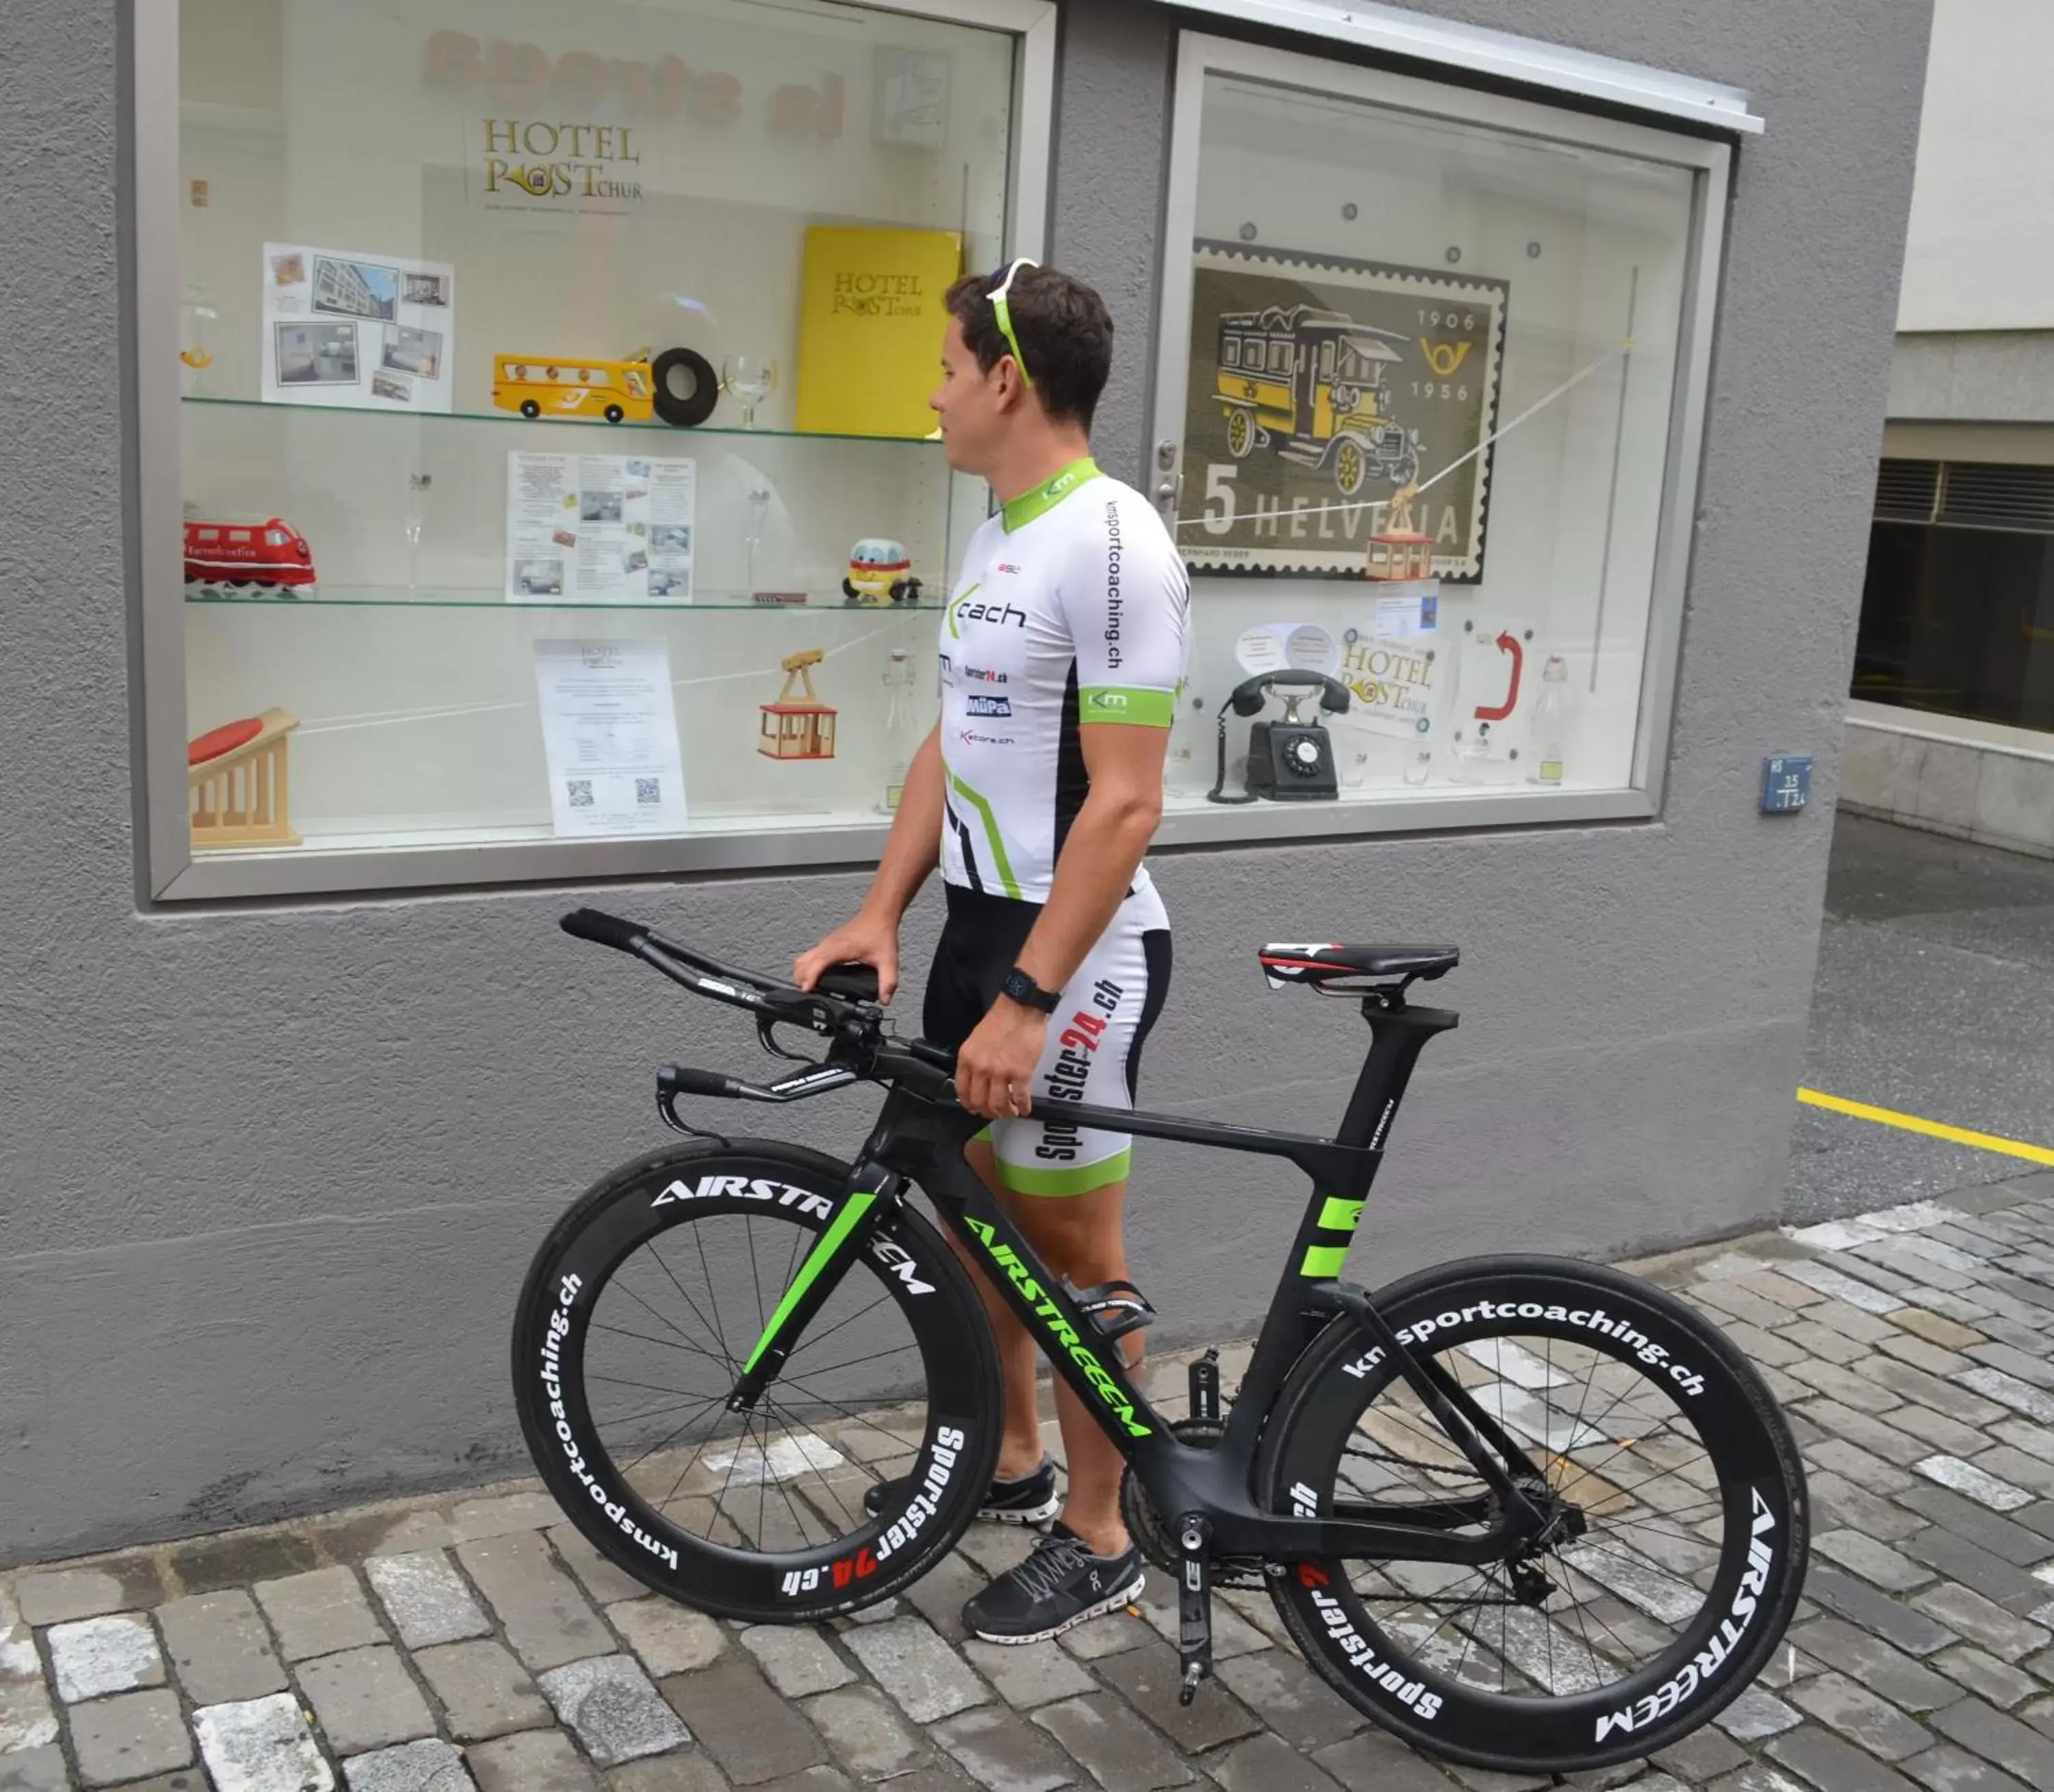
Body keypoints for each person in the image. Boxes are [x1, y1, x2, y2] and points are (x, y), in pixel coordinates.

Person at [794, 259, 1189, 1644]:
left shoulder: (1114, 538)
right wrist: (880, 910)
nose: (933, 392)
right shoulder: (998, 532)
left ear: (1007, 378)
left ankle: (1104, 1534)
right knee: (970, 1216)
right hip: (977, 927)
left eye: (948, 368)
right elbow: (952, 739)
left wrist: (1028, 997)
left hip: (1072, 952)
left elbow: (1127, 800)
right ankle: (1010, 1461)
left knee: (1079, 1256)